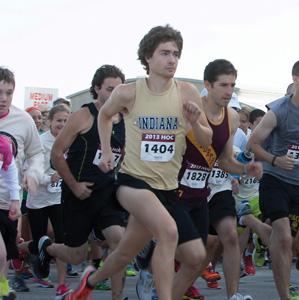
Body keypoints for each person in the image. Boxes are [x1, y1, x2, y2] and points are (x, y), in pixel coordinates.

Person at [64, 25, 214, 300]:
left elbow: (206, 140)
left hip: (168, 189)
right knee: (168, 232)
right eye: (164, 53)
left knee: (182, 255)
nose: (172, 60)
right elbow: (104, 115)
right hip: (133, 183)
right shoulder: (128, 92)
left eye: (176, 54)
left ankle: (90, 281)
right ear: (148, 57)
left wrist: (194, 122)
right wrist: (107, 150)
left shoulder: (187, 93)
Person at [168, 59, 261, 300]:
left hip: (210, 189)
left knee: (224, 238)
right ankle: (152, 260)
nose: (229, 91)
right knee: (188, 253)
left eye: (233, 85)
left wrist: (245, 170)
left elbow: (224, 161)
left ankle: (233, 296)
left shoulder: (230, 118)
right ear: (208, 85)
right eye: (223, 85)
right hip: (176, 189)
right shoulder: (189, 110)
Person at [246, 58, 299, 300]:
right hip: (275, 179)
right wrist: (275, 160)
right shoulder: (278, 111)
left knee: (290, 243)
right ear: (295, 80)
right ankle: (285, 294)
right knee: (283, 237)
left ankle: (253, 224)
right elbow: (253, 144)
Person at [42, 65, 128, 300]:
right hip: (79, 192)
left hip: (107, 193)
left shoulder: (123, 119)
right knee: (77, 254)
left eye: (119, 89)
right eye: (110, 89)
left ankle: (117, 298)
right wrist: (74, 185)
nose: (115, 94)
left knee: (119, 242)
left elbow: (122, 156)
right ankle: (44, 247)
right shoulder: (83, 115)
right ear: (97, 89)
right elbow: (57, 153)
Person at [0, 67, 45, 295]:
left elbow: (37, 153)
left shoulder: (23, 120)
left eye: (8, 93)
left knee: (4, 256)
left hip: (9, 202)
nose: (3, 99)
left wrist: (33, 173)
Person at [21, 105, 69, 294]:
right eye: (59, 120)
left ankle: (62, 284)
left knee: (62, 241)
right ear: (50, 121)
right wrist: (49, 178)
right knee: (38, 242)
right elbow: (28, 171)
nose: (62, 124)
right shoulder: (40, 142)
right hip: (38, 199)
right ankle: (17, 251)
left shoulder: (70, 140)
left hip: (58, 199)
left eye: (66, 120)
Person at [0, 135, 21, 300]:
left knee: (2, 254)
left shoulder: (3, 145)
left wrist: (15, 199)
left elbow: (10, 171)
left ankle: (2, 289)